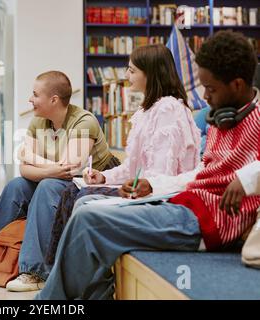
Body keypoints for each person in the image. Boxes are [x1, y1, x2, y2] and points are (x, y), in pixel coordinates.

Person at [36, 30, 260, 300]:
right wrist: (152, 184)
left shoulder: (254, 121)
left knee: (88, 218)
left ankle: (46, 303)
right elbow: (198, 173)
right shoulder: (221, 120)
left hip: (208, 222)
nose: (206, 98)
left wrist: (247, 178)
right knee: (85, 206)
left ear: (236, 85)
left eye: (211, 89)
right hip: (187, 204)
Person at [46, 44, 201, 265]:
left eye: (132, 70)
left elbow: (159, 174)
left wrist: (130, 185)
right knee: (72, 191)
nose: (126, 75)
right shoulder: (146, 111)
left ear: (151, 73)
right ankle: (63, 271)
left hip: (161, 195)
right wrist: (104, 177)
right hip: (145, 187)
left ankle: (69, 272)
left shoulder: (169, 109)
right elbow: (132, 168)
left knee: (79, 197)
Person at [0, 70, 120, 292]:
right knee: (16, 187)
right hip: (58, 180)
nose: (30, 100)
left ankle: (35, 272)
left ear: (54, 100)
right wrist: (48, 167)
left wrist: (30, 157)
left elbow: (70, 169)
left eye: (34, 94)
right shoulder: (38, 122)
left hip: (89, 184)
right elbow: (25, 170)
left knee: (47, 187)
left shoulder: (84, 121)